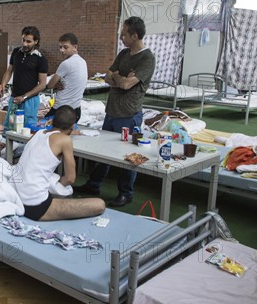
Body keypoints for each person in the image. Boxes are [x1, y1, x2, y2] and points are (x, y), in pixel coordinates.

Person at [78, 16, 156, 207]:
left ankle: (126, 193)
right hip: (112, 111)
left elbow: (128, 84)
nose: (121, 38)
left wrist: (119, 78)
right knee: (102, 151)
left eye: (123, 35)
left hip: (129, 114)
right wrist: (120, 78)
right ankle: (93, 185)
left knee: (127, 155)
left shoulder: (147, 58)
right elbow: (107, 77)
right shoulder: (123, 54)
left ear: (134, 35)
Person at [14, 106, 105, 221]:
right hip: (34, 206)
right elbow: (70, 179)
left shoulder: (38, 133)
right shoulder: (65, 140)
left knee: (53, 185)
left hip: (17, 196)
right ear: (72, 126)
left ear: (52, 121)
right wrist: (57, 183)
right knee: (99, 204)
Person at [0, 26, 48, 127]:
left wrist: (24, 96)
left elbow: (43, 84)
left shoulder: (40, 59)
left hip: (30, 101)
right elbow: (9, 71)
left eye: (28, 41)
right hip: (14, 98)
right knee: (10, 126)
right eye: (23, 40)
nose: (25, 44)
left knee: (27, 129)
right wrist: (3, 84)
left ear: (36, 41)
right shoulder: (16, 52)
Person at [46, 33, 88, 123]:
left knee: (43, 131)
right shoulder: (83, 62)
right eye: (60, 47)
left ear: (75, 47)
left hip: (62, 110)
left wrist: (53, 78)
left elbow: (50, 85)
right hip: (76, 110)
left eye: (65, 47)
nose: (62, 50)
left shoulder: (66, 63)